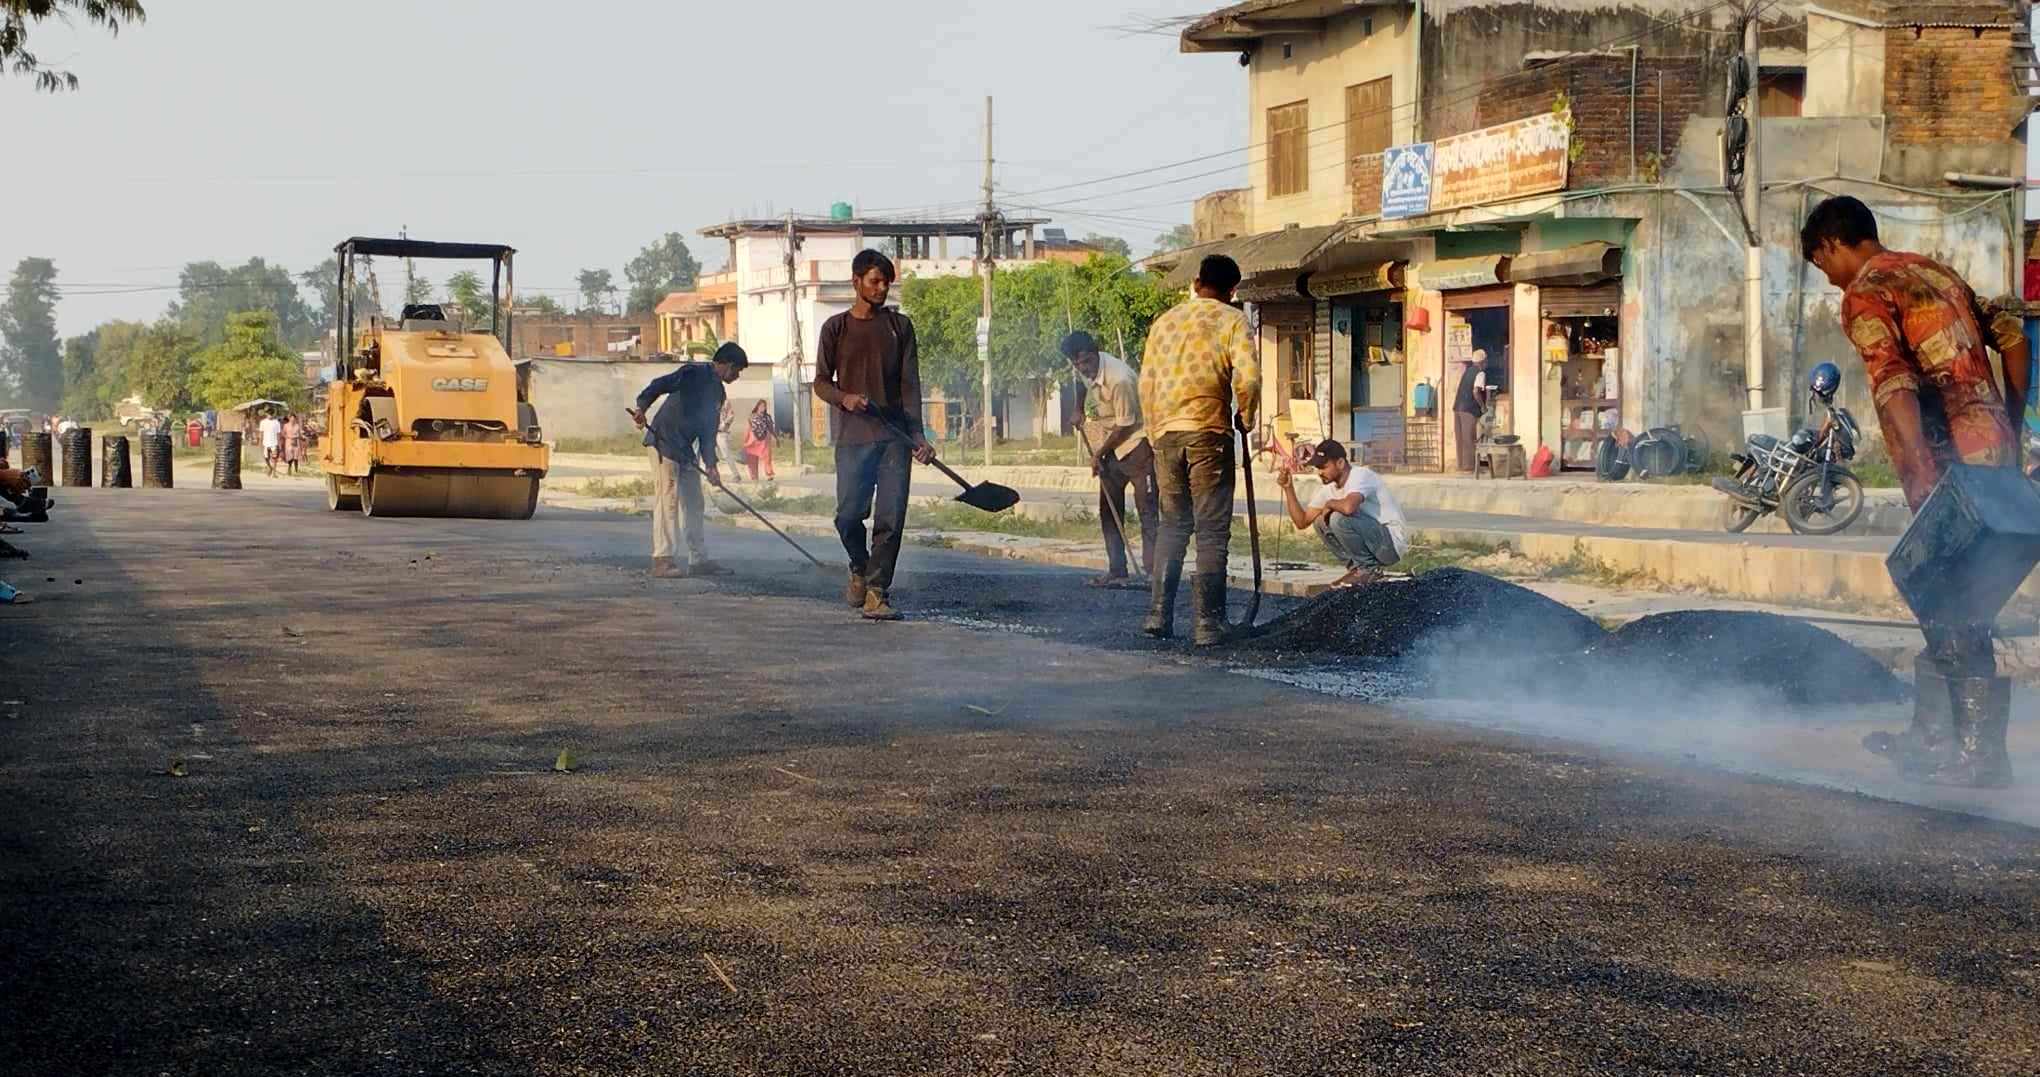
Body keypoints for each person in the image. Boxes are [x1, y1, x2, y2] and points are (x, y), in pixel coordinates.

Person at [1802, 193, 2030, 788]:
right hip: (1996, 453)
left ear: (1833, 245)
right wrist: (2011, 415)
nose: (1827, 279)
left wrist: (1924, 469)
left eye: (1821, 264)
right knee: (1958, 595)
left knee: (1946, 596)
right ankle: (1935, 738)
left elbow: (1894, 383)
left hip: (1947, 460)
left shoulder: (1865, 292)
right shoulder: (1932, 271)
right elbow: (2011, 336)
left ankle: (1977, 756)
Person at [1136, 253, 1259, 645]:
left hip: (1166, 434)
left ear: (1197, 282)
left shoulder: (1164, 322)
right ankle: (1208, 623)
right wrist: (1247, 416)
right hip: (1208, 430)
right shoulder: (1232, 319)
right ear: (1232, 290)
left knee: (1172, 525)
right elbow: (1250, 378)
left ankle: (1158, 613)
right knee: (1210, 529)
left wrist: (1155, 432)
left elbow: (1145, 384)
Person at [812, 248, 937, 621]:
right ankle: (858, 566)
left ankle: (877, 592)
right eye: (875, 281)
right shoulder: (836, 328)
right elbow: (820, 383)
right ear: (856, 283)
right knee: (848, 516)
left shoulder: (900, 327)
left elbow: (910, 386)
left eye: (886, 282)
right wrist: (844, 397)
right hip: (853, 438)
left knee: (890, 519)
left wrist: (919, 434)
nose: (882, 288)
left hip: (895, 439)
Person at [629, 342, 750, 579]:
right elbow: (659, 385)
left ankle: (699, 559)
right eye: (737, 371)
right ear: (726, 364)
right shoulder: (693, 373)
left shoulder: (718, 392)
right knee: (668, 502)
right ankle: (662, 559)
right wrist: (641, 408)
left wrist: (712, 465)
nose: (737, 376)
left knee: (694, 503)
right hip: (664, 442)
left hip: (685, 450)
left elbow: (708, 429)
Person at [1061, 329, 1157, 587]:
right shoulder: (1083, 369)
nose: (1084, 368)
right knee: (1109, 510)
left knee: (1147, 508)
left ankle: (1152, 574)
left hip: (1137, 445)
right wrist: (1078, 408)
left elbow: (1125, 426)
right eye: (1078, 364)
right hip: (1111, 446)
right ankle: (1117, 570)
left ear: (1096, 353)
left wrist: (1099, 454)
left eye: (1087, 362)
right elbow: (1080, 383)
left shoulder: (1120, 379)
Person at [1275, 439, 1408, 588]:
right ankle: (1356, 569)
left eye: (1323, 467)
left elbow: (1349, 507)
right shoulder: (1330, 489)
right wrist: (1288, 488)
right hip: (1374, 543)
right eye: (1317, 468)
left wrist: (1330, 504)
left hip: (1390, 544)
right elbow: (1302, 522)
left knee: (1338, 518)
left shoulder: (1361, 475)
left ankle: (1368, 569)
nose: (1319, 473)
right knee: (1320, 521)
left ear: (1340, 463)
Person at [1451, 349, 1491, 472]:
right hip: (1469, 409)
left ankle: (1461, 466)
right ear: (1482, 362)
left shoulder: (1467, 371)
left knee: (1461, 439)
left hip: (1457, 408)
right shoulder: (1480, 373)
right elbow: (1476, 392)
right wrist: (1483, 406)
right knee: (1469, 438)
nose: (1487, 363)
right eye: (1486, 360)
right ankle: (1469, 467)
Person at [742, 399, 777, 482]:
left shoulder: (767, 417)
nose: (763, 408)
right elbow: (748, 428)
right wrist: (745, 440)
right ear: (757, 406)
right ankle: (754, 477)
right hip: (753, 440)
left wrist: (776, 438)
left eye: (764, 406)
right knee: (752, 459)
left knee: (767, 457)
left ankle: (769, 474)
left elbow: (771, 428)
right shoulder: (752, 416)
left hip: (764, 439)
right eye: (761, 406)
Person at [258, 411, 284, 478]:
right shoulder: (263, 422)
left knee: (275, 458)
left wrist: (279, 445)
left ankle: (274, 473)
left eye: (271, 414)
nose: (270, 415)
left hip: (274, 443)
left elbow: (278, 434)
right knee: (266, 457)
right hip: (265, 443)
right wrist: (260, 443)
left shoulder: (276, 422)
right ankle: (270, 467)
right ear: (266, 414)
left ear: (273, 414)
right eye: (269, 414)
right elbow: (261, 433)